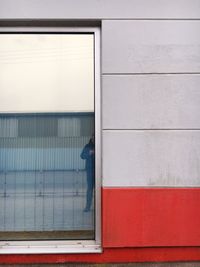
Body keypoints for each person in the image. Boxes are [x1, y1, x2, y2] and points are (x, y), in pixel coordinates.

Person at [80, 135, 95, 212]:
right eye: (93, 137)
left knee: (98, 190)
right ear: (91, 138)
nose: (94, 139)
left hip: (98, 171)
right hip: (90, 171)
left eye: (95, 137)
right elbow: (82, 156)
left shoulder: (98, 145)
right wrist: (89, 153)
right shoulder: (87, 146)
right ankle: (87, 207)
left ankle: (98, 207)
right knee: (90, 189)